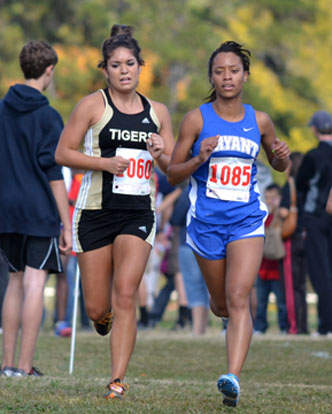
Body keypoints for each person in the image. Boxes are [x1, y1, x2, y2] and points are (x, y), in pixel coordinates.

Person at [167, 40, 290, 407]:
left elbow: (278, 164)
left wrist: (281, 157)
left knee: (239, 299)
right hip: (205, 224)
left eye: (233, 71)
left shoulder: (260, 120)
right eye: (219, 71)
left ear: (245, 76)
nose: (227, 77)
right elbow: (173, 174)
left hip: (247, 221)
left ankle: (232, 377)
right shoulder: (197, 119)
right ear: (211, 76)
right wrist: (199, 157)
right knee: (221, 304)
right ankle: (224, 318)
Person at [55, 24, 174, 399]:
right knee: (97, 308)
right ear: (104, 69)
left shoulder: (158, 112)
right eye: (115, 65)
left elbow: (172, 166)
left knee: (126, 293)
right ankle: (101, 318)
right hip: (93, 213)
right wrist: (104, 164)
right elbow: (62, 154)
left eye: (130, 64)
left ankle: (117, 379)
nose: (124, 70)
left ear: (141, 67)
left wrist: (161, 155)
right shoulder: (92, 105)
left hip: (137, 212)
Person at [0, 40, 72, 377]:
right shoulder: (48, 116)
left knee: (13, 283)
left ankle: (6, 365)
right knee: (34, 284)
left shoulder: (2, 110)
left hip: (6, 210)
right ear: (48, 70)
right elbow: (54, 171)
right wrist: (67, 223)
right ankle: (25, 366)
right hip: (38, 209)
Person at [296, 110, 332, 337]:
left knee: (321, 273)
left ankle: (326, 325)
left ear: (314, 129)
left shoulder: (313, 156)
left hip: (316, 219)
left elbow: (301, 186)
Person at [253, 184, 288, 335]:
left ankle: (284, 326)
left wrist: (279, 213)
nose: (270, 201)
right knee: (261, 302)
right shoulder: (262, 215)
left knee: (281, 302)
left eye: (273, 198)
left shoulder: (280, 216)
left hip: (277, 267)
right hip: (262, 267)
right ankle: (260, 327)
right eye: (267, 197)